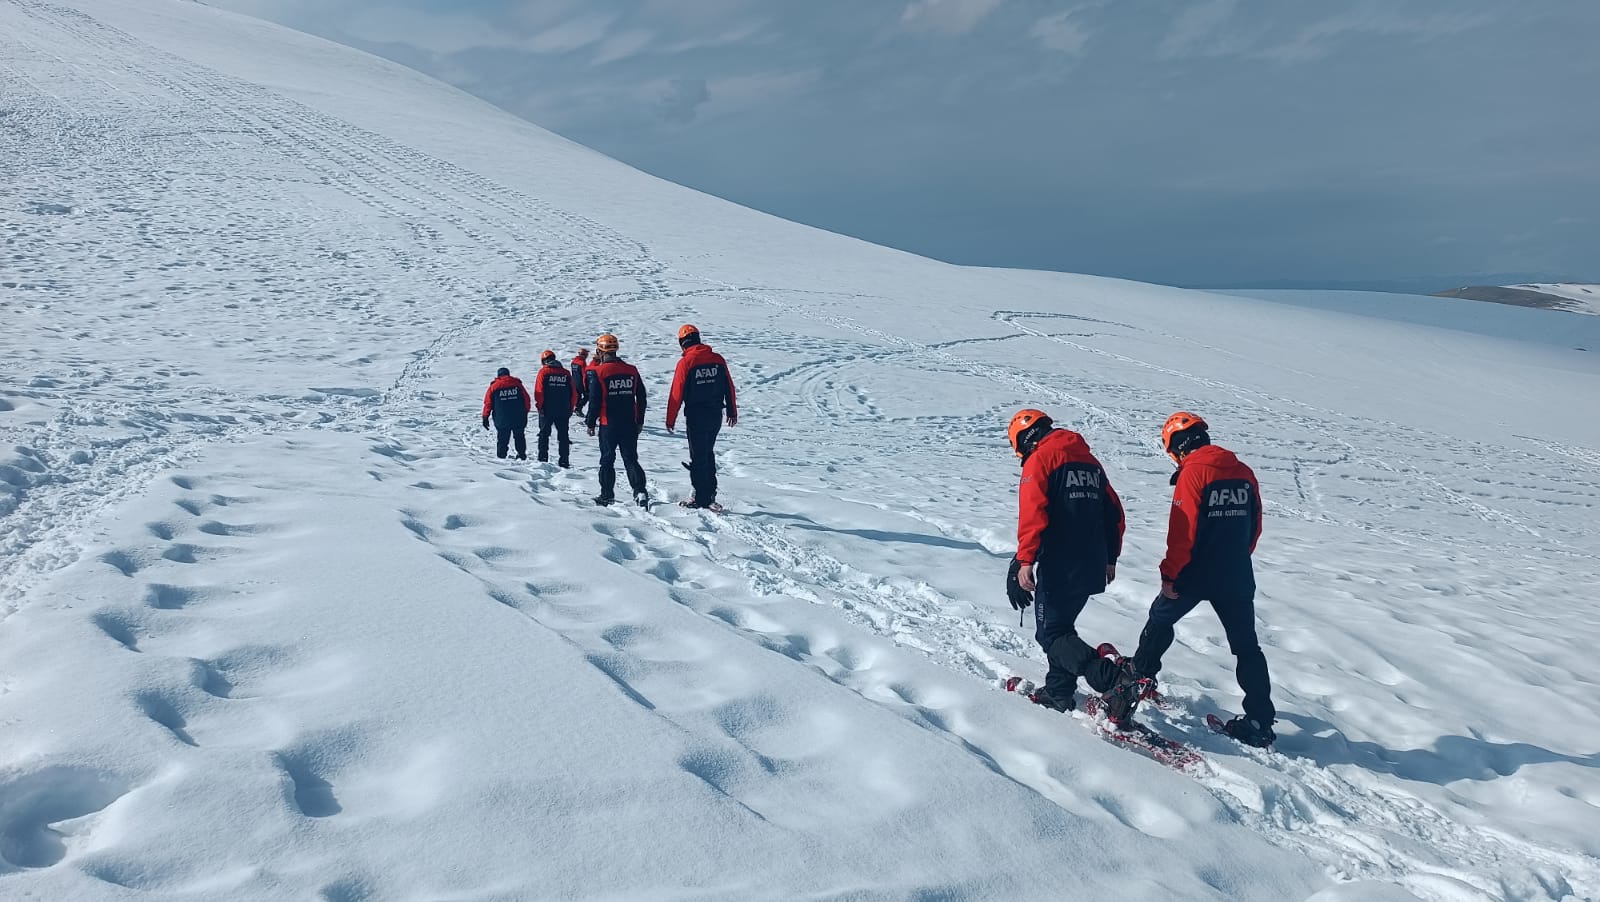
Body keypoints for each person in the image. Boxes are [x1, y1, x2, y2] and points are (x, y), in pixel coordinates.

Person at [1113, 412, 1276, 747]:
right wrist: (1236, 557)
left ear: (1177, 447)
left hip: (1195, 572)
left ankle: (1131, 689)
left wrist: (1170, 574)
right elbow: (1255, 525)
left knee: (1160, 619)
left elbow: (1182, 532)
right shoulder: (1244, 472)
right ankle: (1260, 721)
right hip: (1236, 573)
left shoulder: (1193, 474)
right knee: (1247, 647)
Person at [1005, 409, 1128, 715]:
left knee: (1051, 634)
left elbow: (1033, 515)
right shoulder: (1089, 462)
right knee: (1061, 627)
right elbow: (1114, 514)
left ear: (1024, 439)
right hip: (1093, 562)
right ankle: (1059, 691)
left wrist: (1025, 560)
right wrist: (1110, 557)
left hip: (1061, 562)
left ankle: (1112, 680)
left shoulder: (1041, 460)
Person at [665, 324, 738, 511]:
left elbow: (676, 392)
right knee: (707, 452)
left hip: (696, 415)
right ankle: (710, 492)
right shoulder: (717, 359)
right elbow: (728, 386)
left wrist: (670, 419)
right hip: (715, 415)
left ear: (682, 343)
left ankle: (701, 498)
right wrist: (731, 410)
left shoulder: (686, 363)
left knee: (698, 457)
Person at [584, 333, 649, 507]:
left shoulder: (598, 372)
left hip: (608, 424)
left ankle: (607, 495)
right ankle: (640, 491)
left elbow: (594, 401)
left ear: (599, 351)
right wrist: (640, 420)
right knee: (630, 459)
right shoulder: (632, 370)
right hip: (629, 423)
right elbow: (641, 397)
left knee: (607, 460)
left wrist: (590, 423)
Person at [534, 349, 577, 467]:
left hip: (547, 409)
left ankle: (542, 458)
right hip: (563, 409)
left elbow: (539, 391)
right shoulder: (566, 373)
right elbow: (573, 393)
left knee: (544, 434)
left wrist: (540, 406)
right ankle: (564, 460)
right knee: (563, 436)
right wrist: (571, 408)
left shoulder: (543, 372)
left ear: (544, 361)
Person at [481, 366, 531, 460]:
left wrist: (485, 417)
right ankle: (521, 454)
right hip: (518, 417)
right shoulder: (517, 384)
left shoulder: (494, 387)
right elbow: (526, 399)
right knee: (519, 436)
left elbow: (488, 403)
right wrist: (526, 411)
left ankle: (501, 457)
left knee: (502, 439)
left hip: (502, 418)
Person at [571, 347, 590, 417]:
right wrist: (586, 385)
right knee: (586, 396)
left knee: (578, 395)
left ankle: (576, 407)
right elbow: (584, 374)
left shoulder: (573, 362)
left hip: (574, 381)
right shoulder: (582, 362)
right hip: (581, 383)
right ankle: (578, 409)